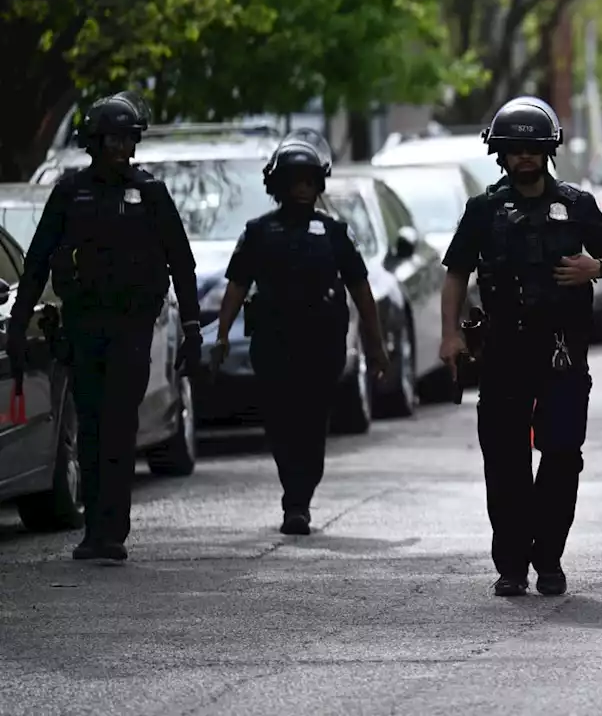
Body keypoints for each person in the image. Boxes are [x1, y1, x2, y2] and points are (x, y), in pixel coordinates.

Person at [437, 97, 602, 598]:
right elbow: (456, 272)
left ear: (548, 151)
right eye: (514, 148)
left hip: (563, 349)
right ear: (499, 154)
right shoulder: (484, 210)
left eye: (533, 147)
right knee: (504, 460)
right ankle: (512, 565)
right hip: (503, 348)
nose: (524, 156)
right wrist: (451, 334)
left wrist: (598, 268)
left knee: (563, 453)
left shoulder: (576, 204)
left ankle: (549, 557)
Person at [4, 91, 201, 562]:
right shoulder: (71, 193)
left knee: (119, 424)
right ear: (94, 141)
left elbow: (181, 261)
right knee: (91, 427)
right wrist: (17, 322)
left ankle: (113, 530)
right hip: (83, 327)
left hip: (133, 328)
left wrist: (192, 328)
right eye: (110, 139)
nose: (119, 149)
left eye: (126, 139)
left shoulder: (150, 193)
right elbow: (35, 263)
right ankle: (96, 529)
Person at [210, 129, 389, 536]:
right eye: (295, 182)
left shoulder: (334, 234)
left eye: (310, 181)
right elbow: (236, 286)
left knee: (311, 423)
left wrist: (375, 347)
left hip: (321, 346)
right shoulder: (258, 233)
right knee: (279, 421)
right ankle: (293, 495)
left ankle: (300, 499)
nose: (303, 190)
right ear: (279, 186)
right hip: (272, 344)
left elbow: (362, 291)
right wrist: (221, 335)